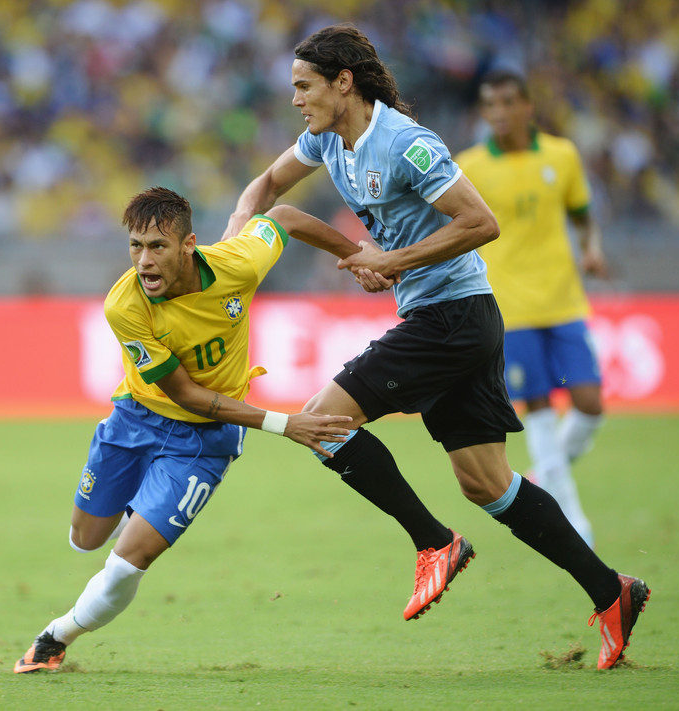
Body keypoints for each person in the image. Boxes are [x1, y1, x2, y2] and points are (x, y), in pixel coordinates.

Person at [223, 24, 648, 669]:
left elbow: (481, 222)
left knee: (321, 422)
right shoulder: (325, 139)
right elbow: (264, 192)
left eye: (304, 86)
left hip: (451, 317)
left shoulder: (404, 144)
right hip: (455, 319)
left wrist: (393, 260)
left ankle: (434, 543)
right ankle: (611, 590)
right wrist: (233, 246)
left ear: (344, 83)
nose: (295, 99)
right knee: (487, 483)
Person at [14, 186, 372, 673]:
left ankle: (55, 638)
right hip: (135, 420)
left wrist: (360, 257)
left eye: (157, 247)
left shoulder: (236, 265)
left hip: (203, 442)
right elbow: (185, 393)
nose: (144, 261)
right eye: (135, 246)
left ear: (189, 245)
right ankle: (137, 506)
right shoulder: (125, 306)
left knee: (127, 561)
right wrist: (285, 424)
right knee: (84, 539)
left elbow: (285, 217)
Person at [455, 70, 608, 548]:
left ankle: (546, 470)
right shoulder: (469, 165)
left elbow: (582, 216)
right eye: (489, 106)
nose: (498, 113)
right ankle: (576, 525)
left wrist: (592, 248)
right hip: (510, 306)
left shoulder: (561, 155)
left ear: (526, 106)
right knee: (538, 410)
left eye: (506, 103)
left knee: (590, 406)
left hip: (563, 299)